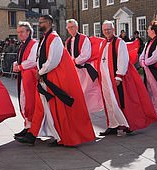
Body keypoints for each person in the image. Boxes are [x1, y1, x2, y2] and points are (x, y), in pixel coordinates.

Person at [16, 15, 95, 146]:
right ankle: (34, 134)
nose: (39, 24)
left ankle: (55, 136)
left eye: (41, 22)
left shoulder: (54, 38)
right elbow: (40, 58)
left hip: (52, 79)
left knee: (51, 108)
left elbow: (53, 60)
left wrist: (40, 72)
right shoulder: (45, 39)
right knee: (42, 107)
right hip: (46, 78)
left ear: (49, 23)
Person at [98, 20, 157, 136]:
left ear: (113, 29)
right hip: (105, 79)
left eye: (109, 29)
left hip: (117, 78)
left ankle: (128, 124)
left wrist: (119, 76)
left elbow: (123, 59)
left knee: (123, 101)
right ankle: (112, 125)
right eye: (105, 29)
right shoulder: (103, 43)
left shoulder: (119, 42)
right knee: (109, 102)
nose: (107, 31)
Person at [65, 19, 104, 113]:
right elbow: (67, 55)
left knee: (88, 91)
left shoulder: (83, 38)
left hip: (84, 69)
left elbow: (86, 55)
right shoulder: (68, 41)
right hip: (74, 70)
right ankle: (80, 110)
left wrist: (74, 61)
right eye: (69, 27)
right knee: (77, 91)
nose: (71, 29)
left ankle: (90, 109)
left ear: (77, 27)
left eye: (72, 27)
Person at [13, 22, 38, 138]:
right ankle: (27, 126)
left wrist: (19, 67)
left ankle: (32, 128)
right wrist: (16, 64)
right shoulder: (23, 45)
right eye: (18, 32)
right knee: (24, 100)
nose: (20, 34)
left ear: (28, 32)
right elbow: (21, 59)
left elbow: (32, 60)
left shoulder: (33, 44)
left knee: (30, 101)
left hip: (31, 77)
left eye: (22, 32)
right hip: (25, 76)